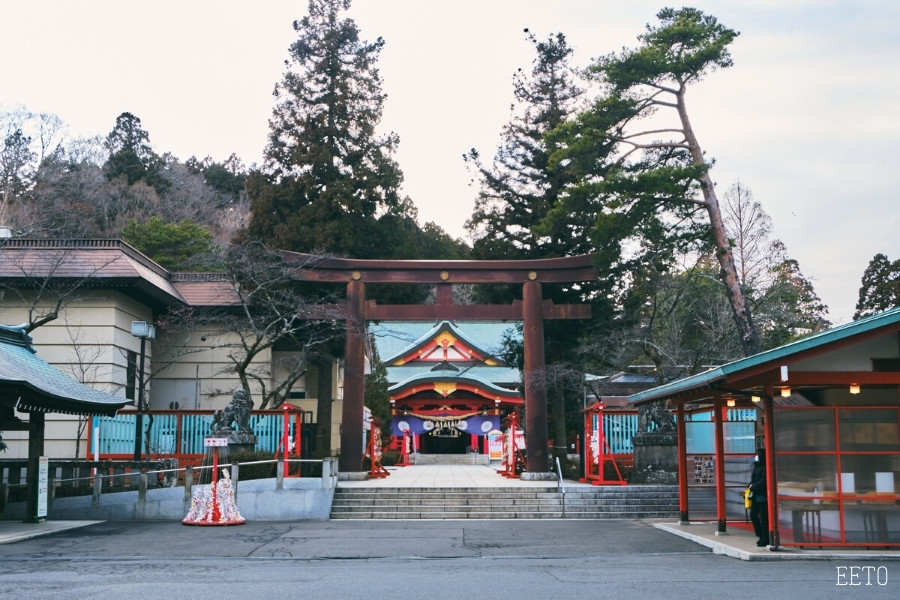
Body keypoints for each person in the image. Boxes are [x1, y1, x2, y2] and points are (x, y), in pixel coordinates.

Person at [748, 448, 769, 547]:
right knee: (753, 514)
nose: (756, 456)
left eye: (758, 454)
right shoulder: (756, 467)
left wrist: (754, 486)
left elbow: (764, 481)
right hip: (756, 495)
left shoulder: (765, 467)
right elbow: (753, 479)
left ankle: (765, 538)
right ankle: (760, 535)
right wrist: (750, 485)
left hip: (763, 496)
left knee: (764, 519)